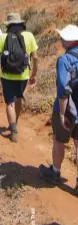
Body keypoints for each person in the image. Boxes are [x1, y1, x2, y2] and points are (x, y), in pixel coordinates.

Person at [38, 24, 78, 200]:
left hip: (69, 110)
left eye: (63, 38)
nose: (61, 40)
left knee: (59, 140)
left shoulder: (65, 60)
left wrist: (61, 113)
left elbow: (63, 90)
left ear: (69, 41)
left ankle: (55, 173)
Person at [0, 12, 38, 143]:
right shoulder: (29, 36)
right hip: (23, 75)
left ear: (8, 25)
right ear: (21, 24)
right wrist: (33, 75)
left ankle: (14, 130)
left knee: (9, 102)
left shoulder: (3, 37)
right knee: (18, 99)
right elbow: (35, 57)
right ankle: (14, 123)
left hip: (6, 75)